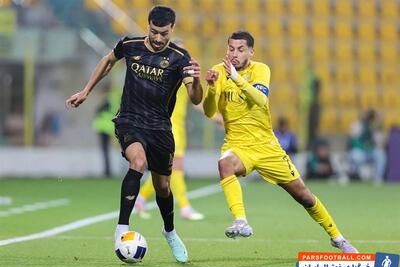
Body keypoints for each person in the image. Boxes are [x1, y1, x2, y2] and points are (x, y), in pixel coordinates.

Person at [65, 6, 203, 263]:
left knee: (163, 187)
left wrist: (196, 81)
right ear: (147, 25)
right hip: (130, 120)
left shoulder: (180, 58)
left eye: (163, 33)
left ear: (172, 29)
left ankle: (170, 232)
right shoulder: (130, 45)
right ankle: (122, 228)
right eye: (153, 31)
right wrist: (85, 91)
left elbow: (196, 99)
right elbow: (107, 60)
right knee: (137, 162)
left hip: (160, 128)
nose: (158, 37)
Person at [203, 31, 357, 253]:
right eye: (231, 49)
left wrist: (236, 78)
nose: (234, 53)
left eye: (240, 49)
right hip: (237, 145)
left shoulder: (261, 69)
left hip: (267, 147)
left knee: (303, 195)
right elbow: (209, 112)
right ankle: (240, 221)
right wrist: (210, 88)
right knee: (224, 164)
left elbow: (260, 99)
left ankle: (337, 237)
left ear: (251, 52)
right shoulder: (218, 72)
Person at [135, 42, 204, 219]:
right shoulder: (164, 74)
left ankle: (141, 199)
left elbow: (196, 100)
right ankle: (185, 208)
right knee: (175, 166)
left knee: (166, 169)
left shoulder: (185, 76)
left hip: (178, 127)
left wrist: (216, 116)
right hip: (167, 125)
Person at [347, 109, 386, 184]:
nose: (369, 118)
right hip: (360, 151)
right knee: (355, 156)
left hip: (371, 151)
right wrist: (364, 146)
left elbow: (380, 142)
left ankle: (377, 179)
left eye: (371, 116)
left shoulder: (375, 126)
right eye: (368, 116)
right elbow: (353, 140)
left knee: (380, 155)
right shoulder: (357, 124)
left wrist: (379, 121)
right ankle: (353, 176)